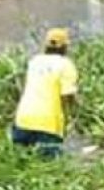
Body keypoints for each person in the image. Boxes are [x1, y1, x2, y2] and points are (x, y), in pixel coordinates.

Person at [11, 28, 78, 158]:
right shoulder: (66, 65)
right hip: (47, 124)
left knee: (22, 162)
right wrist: (75, 115)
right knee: (51, 167)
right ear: (65, 47)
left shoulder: (34, 61)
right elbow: (67, 96)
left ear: (46, 45)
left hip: (22, 121)